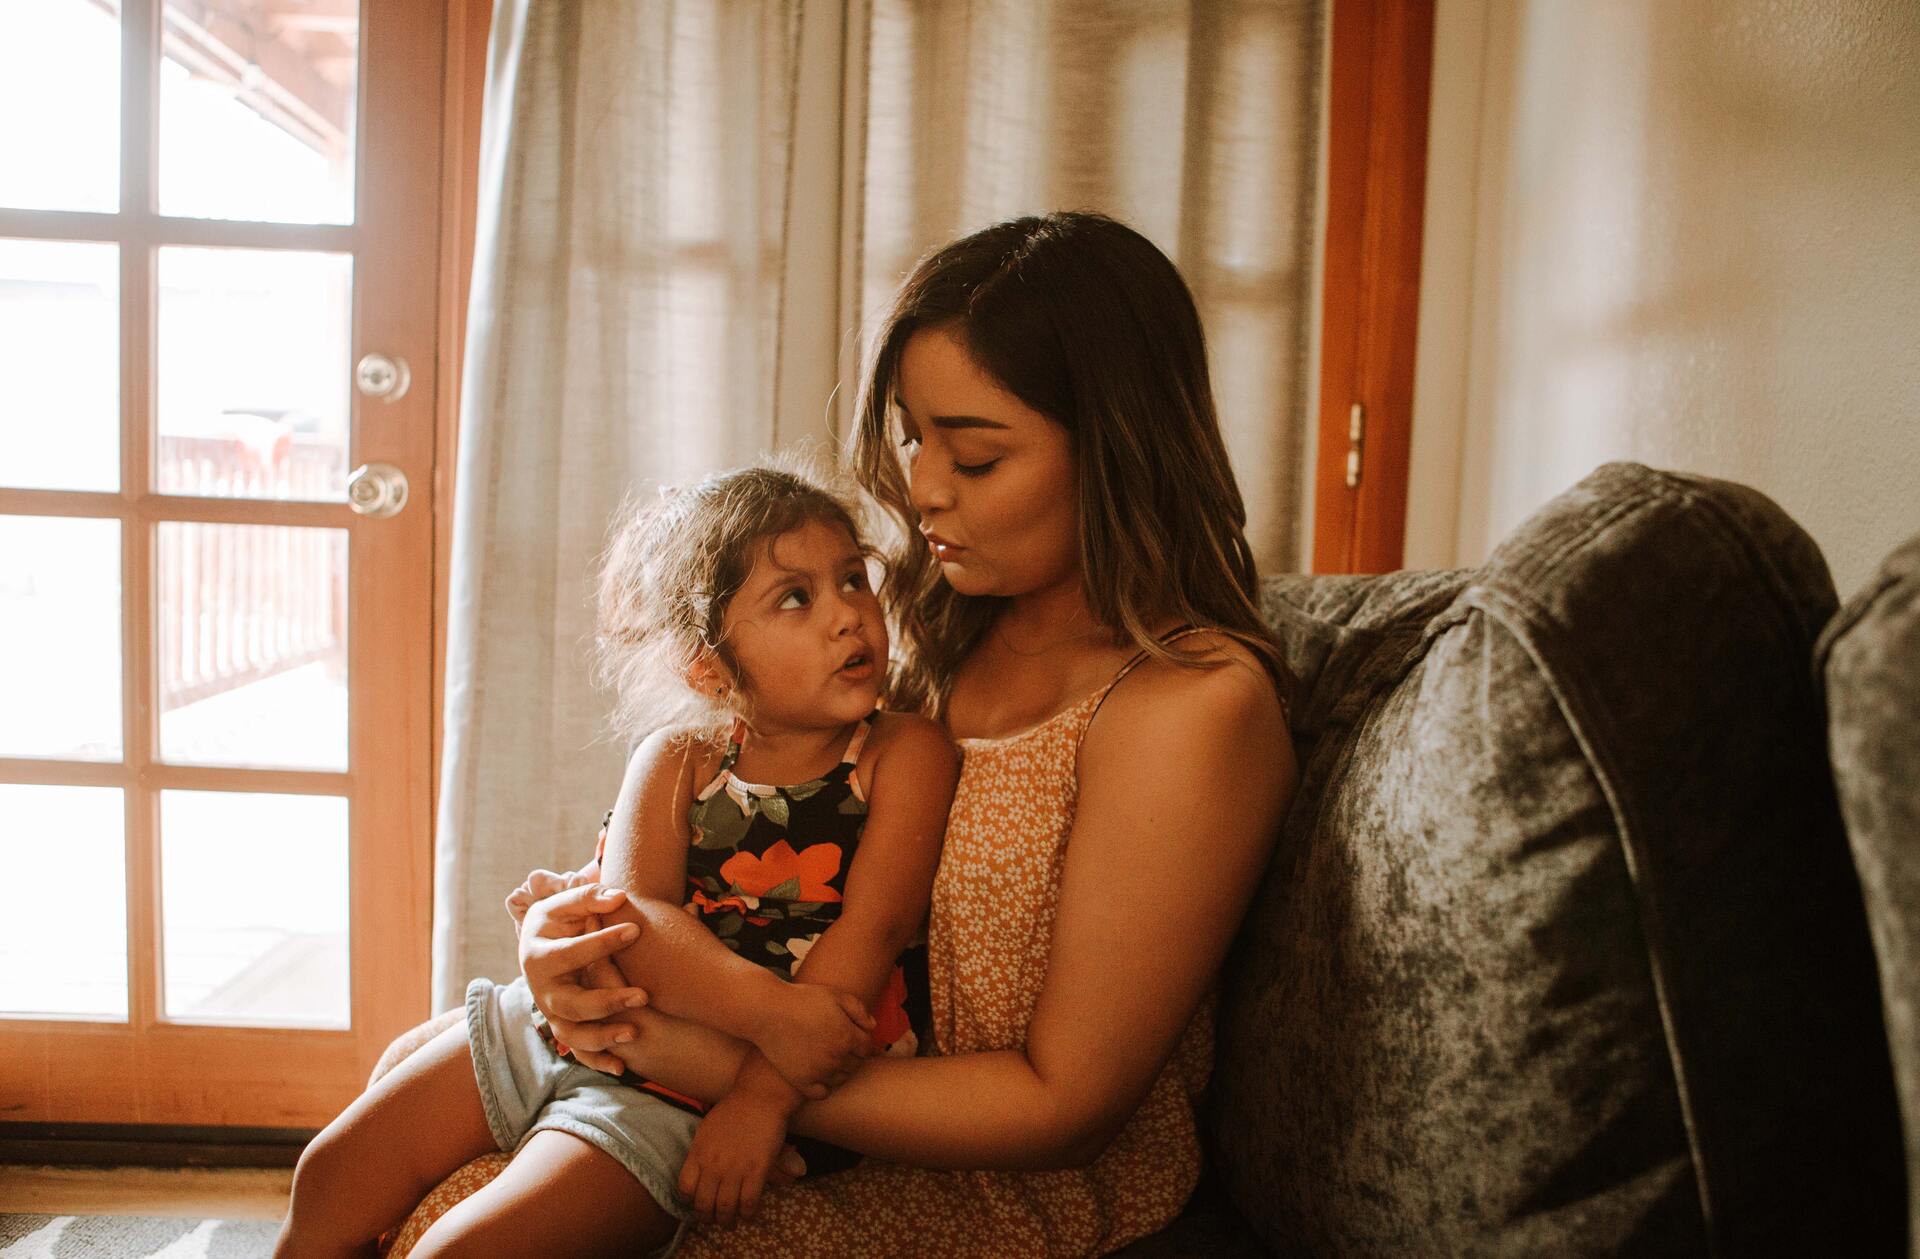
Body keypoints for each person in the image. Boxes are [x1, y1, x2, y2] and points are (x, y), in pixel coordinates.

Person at [510, 211, 1300, 1257]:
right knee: (417, 1177)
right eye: (915, 437)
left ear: (1117, 452)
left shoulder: (1192, 707)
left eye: (975, 456)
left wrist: (714, 1065)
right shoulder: (930, 637)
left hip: (1004, 1194)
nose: (922, 488)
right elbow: (743, 862)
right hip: (796, 1110)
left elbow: (1063, 1108)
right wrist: (572, 943)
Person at [275, 465, 960, 1259]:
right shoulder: (678, 757)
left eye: (852, 579)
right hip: (556, 1027)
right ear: (709, 667)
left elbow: (873, 932)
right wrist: (772, 1012)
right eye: (795, 598)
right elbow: (634, 921)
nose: (847, 615)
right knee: (327, 1178)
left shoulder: (903, 753)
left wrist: (760, 1101)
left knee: (459, 1252)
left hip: (677, 1095)